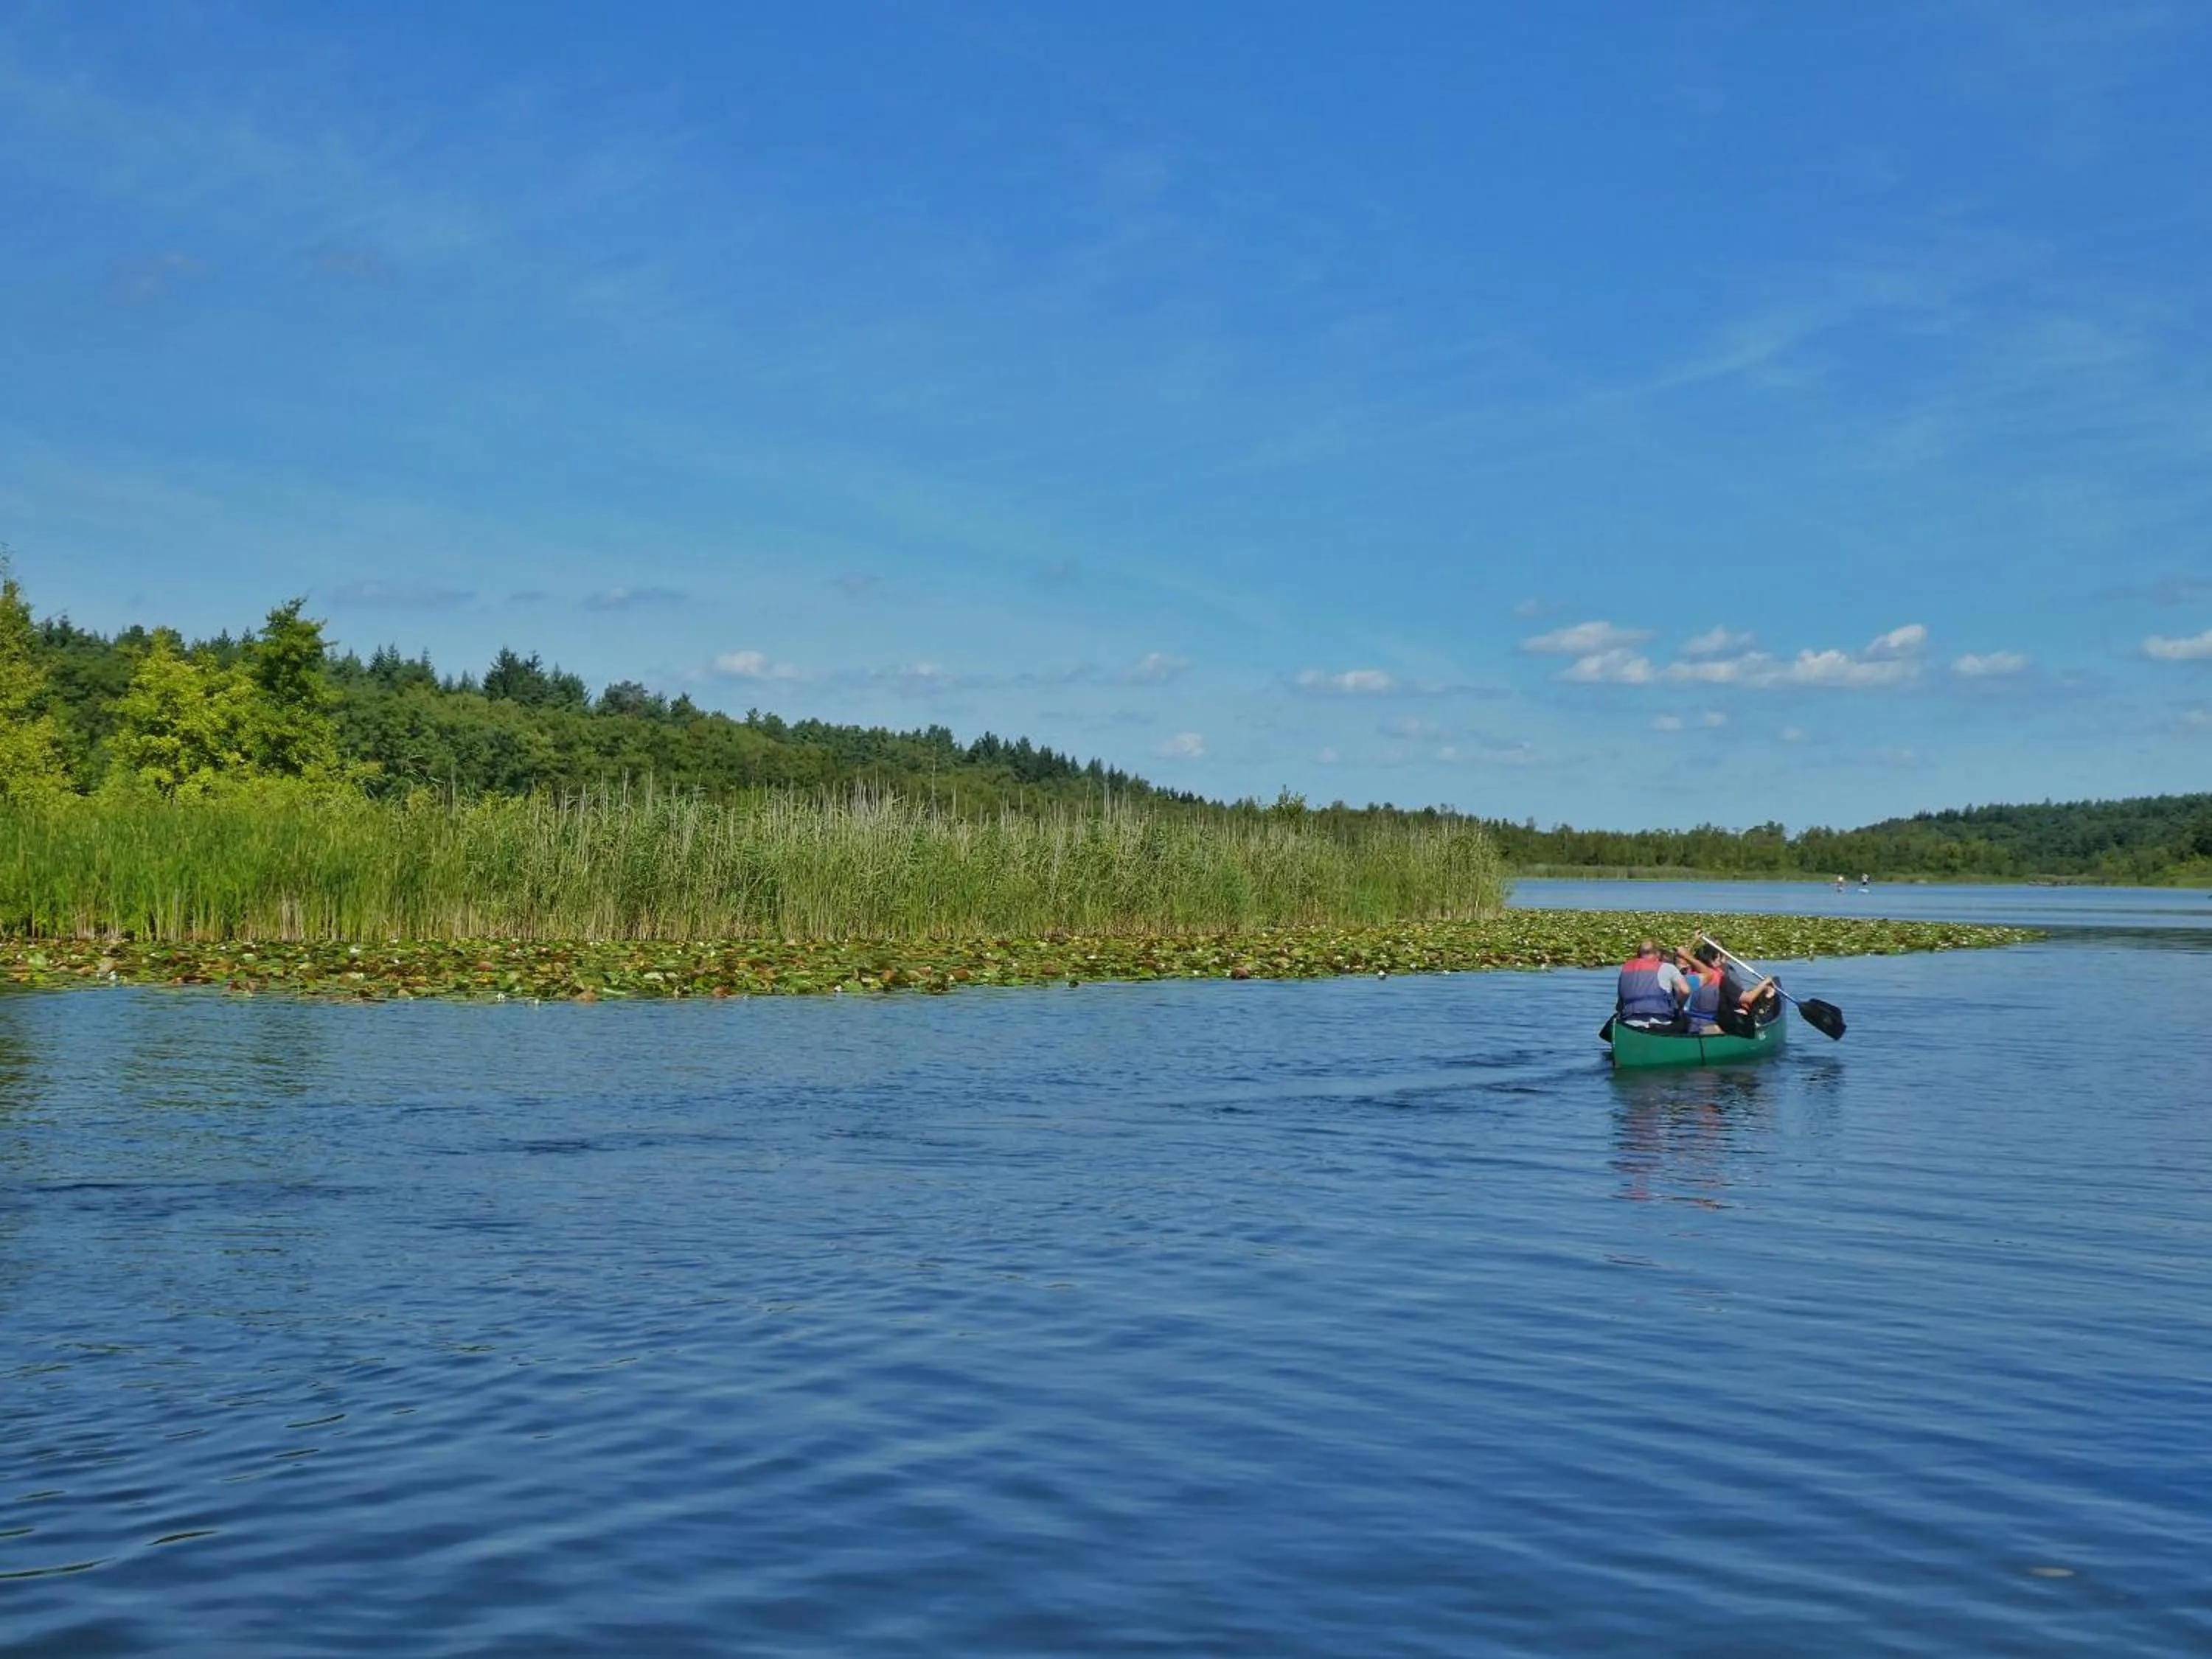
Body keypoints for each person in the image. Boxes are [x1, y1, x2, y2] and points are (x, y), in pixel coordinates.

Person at [1615, 939, 1688, 1030]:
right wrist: (1680, 1007)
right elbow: (1685, 991)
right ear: (1658, 954)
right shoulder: (1668, 967)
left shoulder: (1625, 968)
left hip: (1630, 1022)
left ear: (1638, 954)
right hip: (1660, 1022)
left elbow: (1620, 1003)